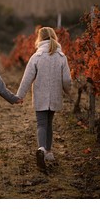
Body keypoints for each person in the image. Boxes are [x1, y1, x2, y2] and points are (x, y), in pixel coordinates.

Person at [16, 27, 71, 171]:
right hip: (54, 97)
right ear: (54, 37)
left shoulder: (37, 56)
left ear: (39, 39)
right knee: (49, 123)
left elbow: (27, 79)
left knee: (41, 124)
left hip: (40, 96)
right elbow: (67, 79)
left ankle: (41, 149)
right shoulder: (61, 56)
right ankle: (48, 152)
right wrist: (67, 90)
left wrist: (20, 96)